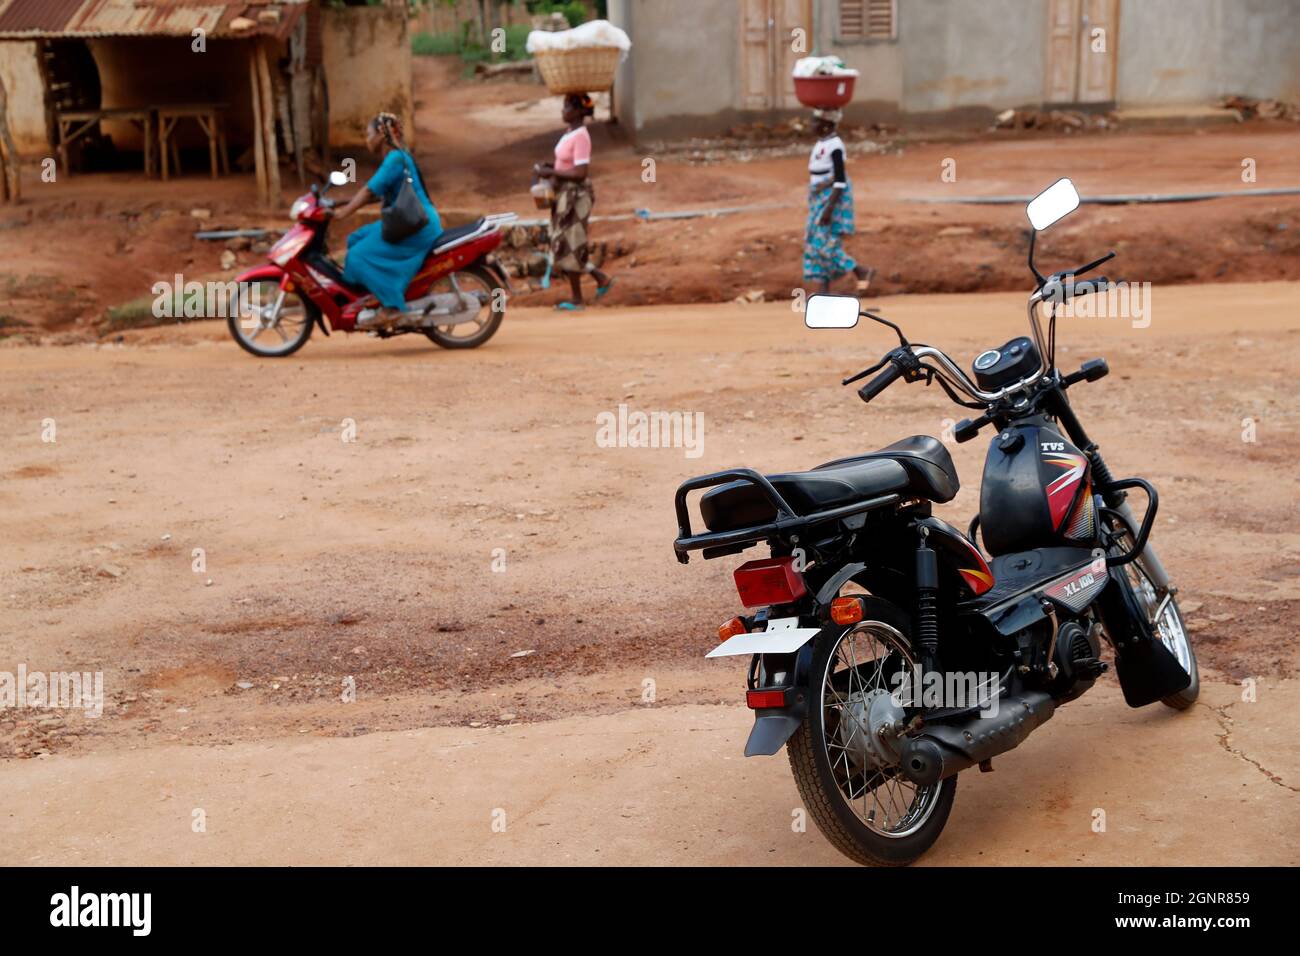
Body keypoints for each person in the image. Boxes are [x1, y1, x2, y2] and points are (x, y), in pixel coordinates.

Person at [333, 112, 442, 328]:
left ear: (381, 136)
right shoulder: (397, 156)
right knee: (356, 238)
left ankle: (392, 307)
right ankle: (373, 296)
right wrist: (336, 202)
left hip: (416, 226)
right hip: (409, 221)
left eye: (368, 134)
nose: (366, 140)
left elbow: (367, 192)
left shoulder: (394, 159)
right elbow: (375, 194)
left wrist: (342, 214)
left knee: (357, 257)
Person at [533, 93, 614, 311]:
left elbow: (580, 172)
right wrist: (550, 167)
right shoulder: (570, 133)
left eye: (567, 106)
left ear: (578, 111)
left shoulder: (581, 136)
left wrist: (551, 171)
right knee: (566, 243)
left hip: (576, 196)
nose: (563, 110)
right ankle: (600, 279)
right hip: (565, 195)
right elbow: (566, 164)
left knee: (568, 243)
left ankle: (579, 298)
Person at [803, 108, 874, 294]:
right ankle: (824, 288)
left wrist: (829, 208)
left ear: (826, 125)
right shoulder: (821, 144)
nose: (811, 126)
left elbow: (840, 179)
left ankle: (861, 271)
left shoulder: (835, 146)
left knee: (824, 243)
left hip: (831, 198)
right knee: (814, 240)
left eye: (815, 122)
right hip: (819, 196)